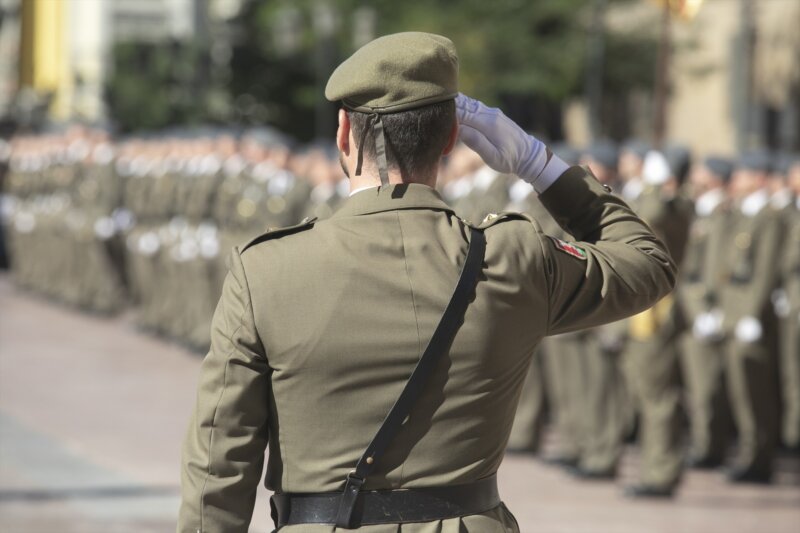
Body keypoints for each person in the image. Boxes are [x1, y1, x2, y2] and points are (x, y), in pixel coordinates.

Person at [177, 32, 676, 532]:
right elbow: (648, 263)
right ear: (452, 138)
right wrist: (537, 163)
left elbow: (218, 463)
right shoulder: (512, 257)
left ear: (344, 133)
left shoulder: (266, 270)